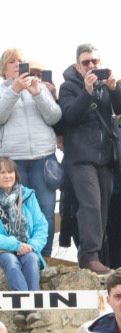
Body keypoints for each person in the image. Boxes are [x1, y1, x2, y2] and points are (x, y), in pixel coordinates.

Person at [57, 44, 121, 273]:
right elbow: (69, 116)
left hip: (104, 157)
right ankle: (88, 255)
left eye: (94, 61)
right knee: (90, 205)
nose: (91, 66)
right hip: (80, 159)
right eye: (86, 62)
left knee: (102, 208)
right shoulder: (68, 87)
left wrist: (114, 88)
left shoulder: (105, 85)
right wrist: (86, 92)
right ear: (78, 65)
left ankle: (97, 256)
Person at [0, 50, 63, 256]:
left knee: (45, 211)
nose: (17, 64)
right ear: (3, 68)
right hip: (13, 161)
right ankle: (21, 256)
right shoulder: (2, 91)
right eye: (12, 61)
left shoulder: (39, 87)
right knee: (15, 213)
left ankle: (44, 258)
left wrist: (38, 94)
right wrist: (15, 90)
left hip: (43, 159)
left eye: (20, 61)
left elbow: (54, 117)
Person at [0, 155, 48, 290]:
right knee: (11, 262)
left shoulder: (28, 195)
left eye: (10, 172)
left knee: (32, 260)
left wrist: (32, 245)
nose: (7, 176)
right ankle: (26, 302)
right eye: (2, 172)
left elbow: (41, 226)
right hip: (3, 250)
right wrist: (16, 245)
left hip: (27, 248)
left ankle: (31, 301)